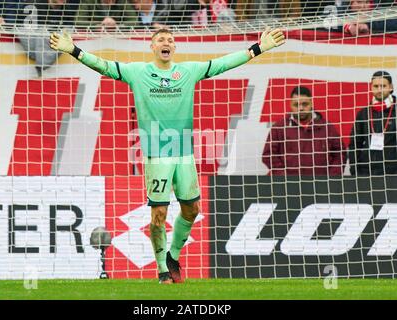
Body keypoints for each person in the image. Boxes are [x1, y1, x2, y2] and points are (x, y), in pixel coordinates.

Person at [49, 27, 285, 283]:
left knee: (192, 209)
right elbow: (103, 65)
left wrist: (259, 48)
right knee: (158, 214)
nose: (166, 42)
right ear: (152, 46)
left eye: (170, 40)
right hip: (155, 155)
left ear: (174, 48)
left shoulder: (187, 72)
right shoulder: (137, 72)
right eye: (161, 39)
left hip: (184, 154)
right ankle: (162, 268)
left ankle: (173, 255)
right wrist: (73, 50)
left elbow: (222, 64)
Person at [262, 86, 346, 176]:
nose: (300, 108)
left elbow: (340, 153)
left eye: (305, 104)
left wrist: (332, 177)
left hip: (321, 186)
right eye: (296, 105)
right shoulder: (279, 128)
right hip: (288, 186)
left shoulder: (327, 127)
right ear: (290, 105)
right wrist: (283, 176)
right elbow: (268, 155)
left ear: (311, 103)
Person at [348, 71, 397, 176]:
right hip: (366, 171)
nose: (379, 90)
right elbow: (355, 144)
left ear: (391, 87)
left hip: (392, 173)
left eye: (383, 86)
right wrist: (354, 170)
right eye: (376, 86)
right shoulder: (363, 113)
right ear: (371, 87)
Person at [17, 0, 80, 77]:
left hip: (52, 61)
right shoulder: (34, 7)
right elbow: (23, 30)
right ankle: (41, 64)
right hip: (33, 53)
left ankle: (41, 64)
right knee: (41, 34)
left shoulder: (67, 10)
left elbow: (69, 31)